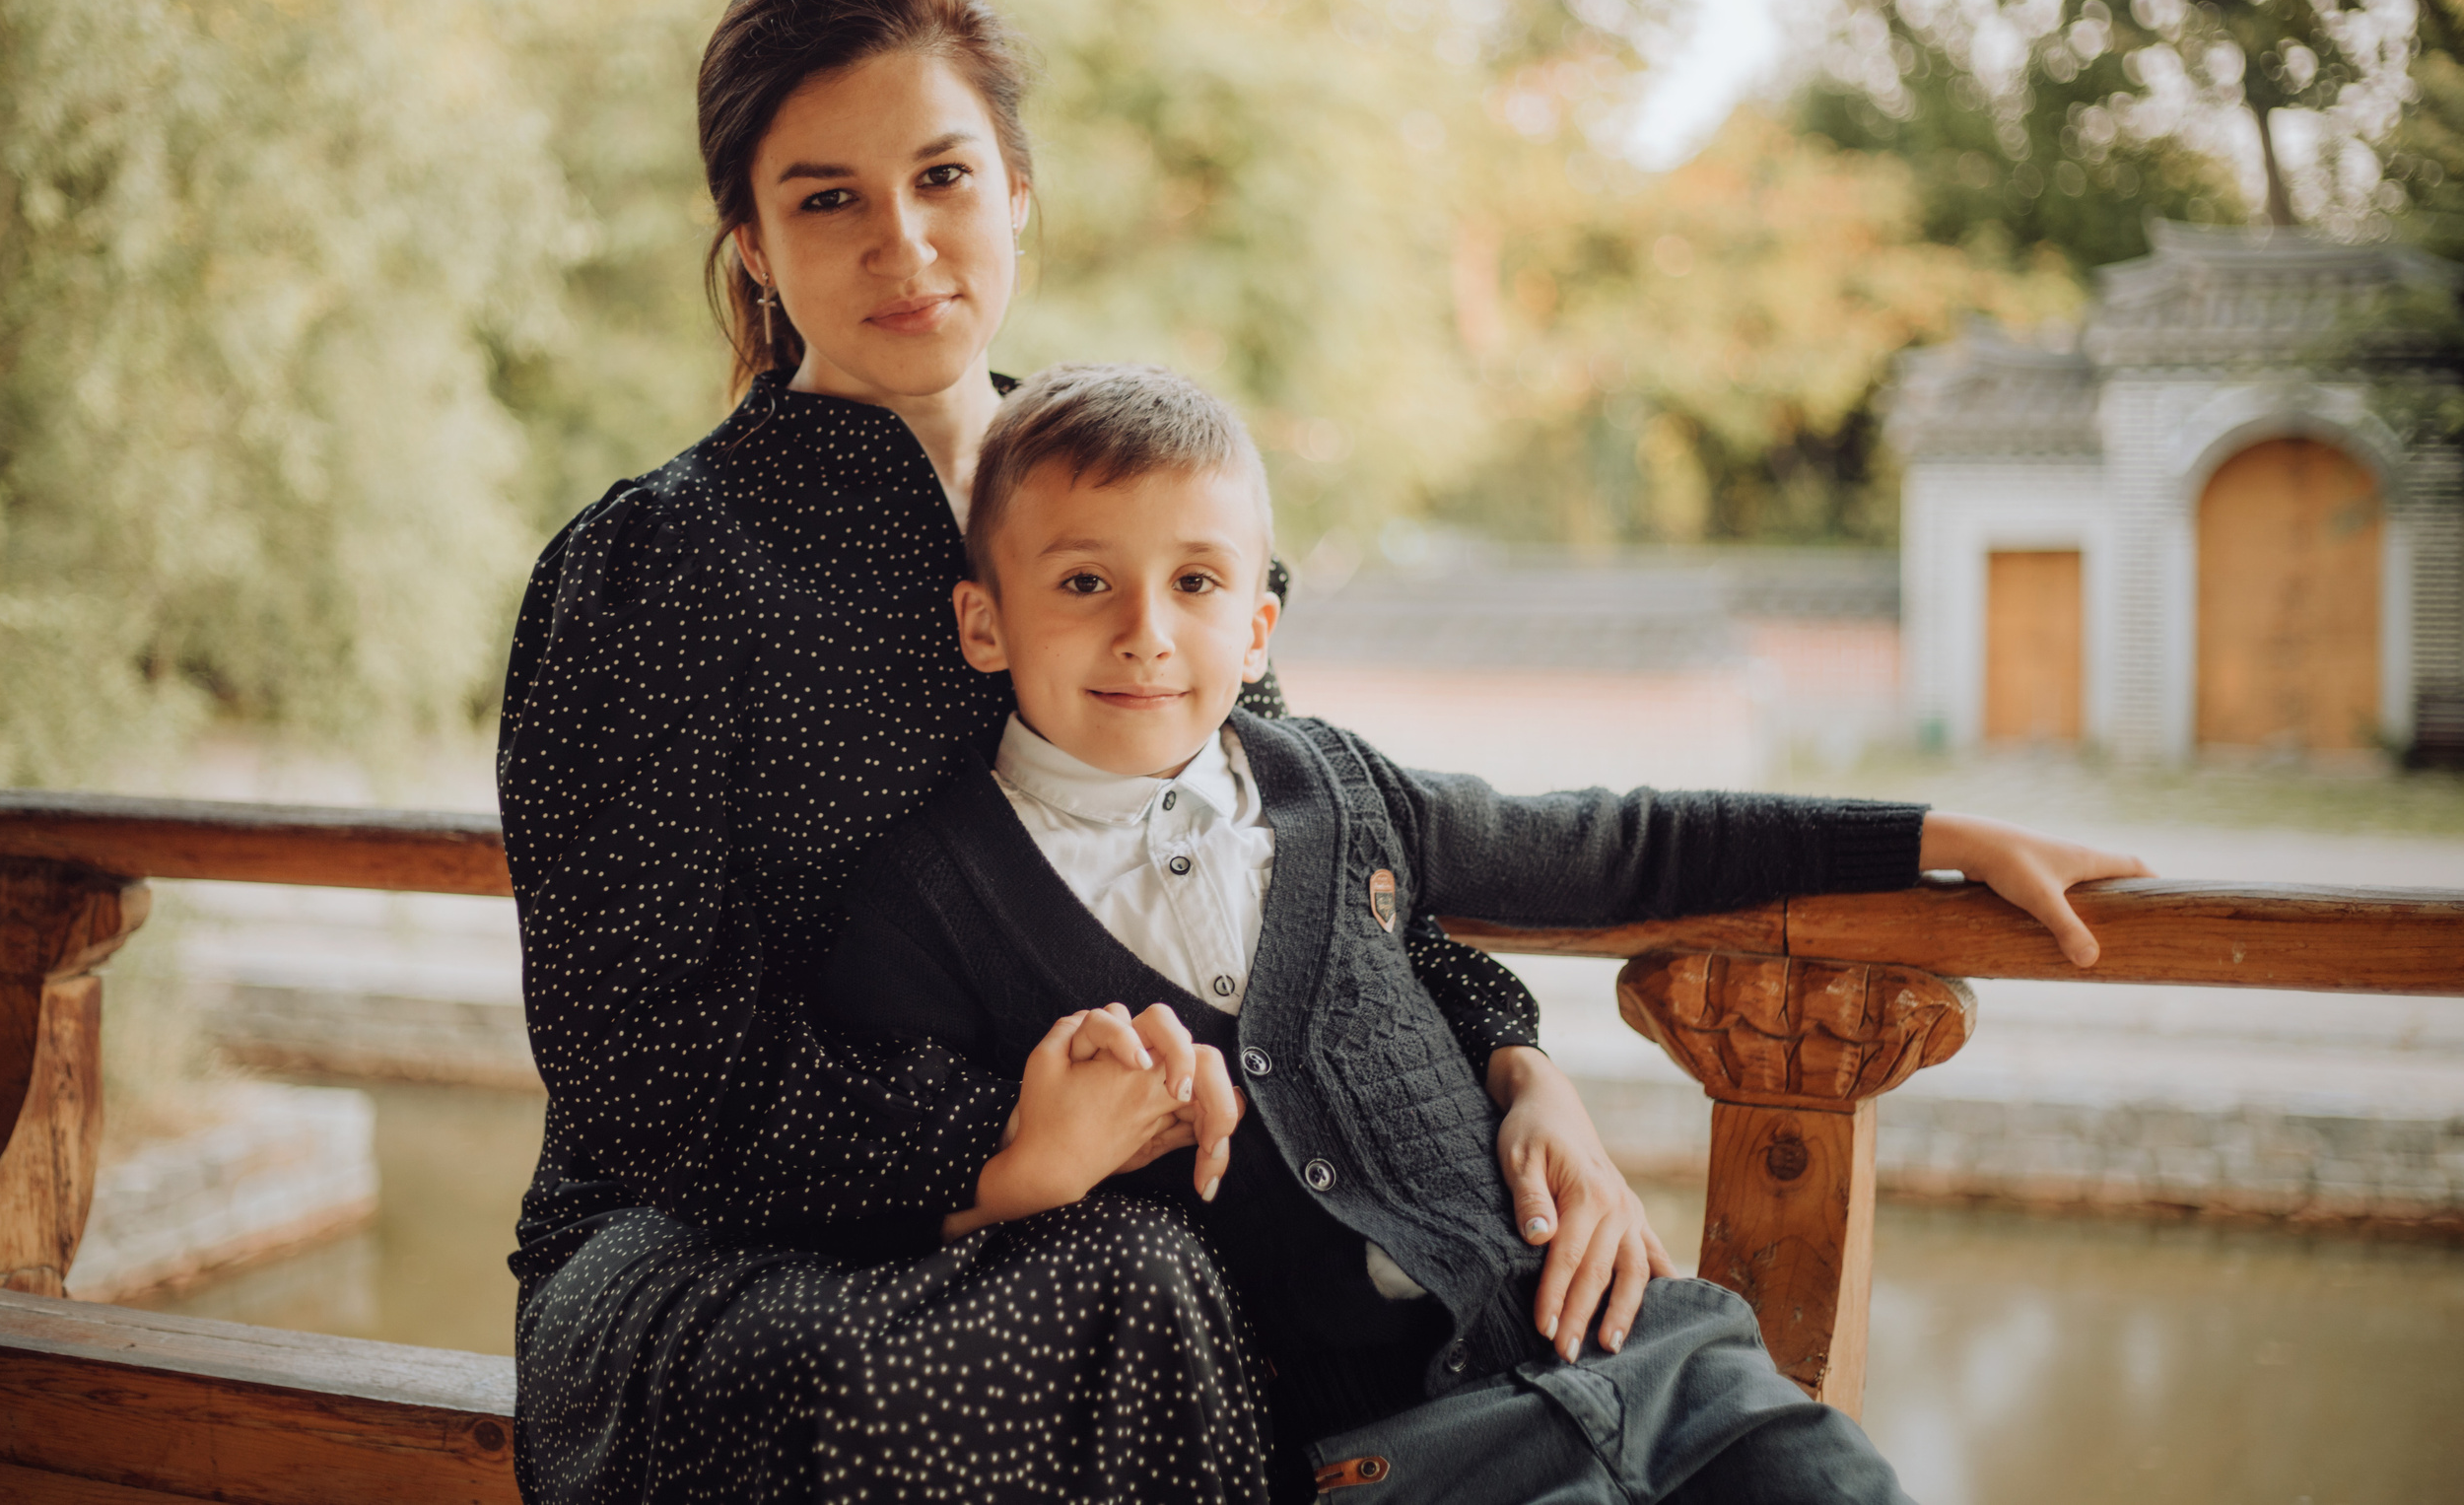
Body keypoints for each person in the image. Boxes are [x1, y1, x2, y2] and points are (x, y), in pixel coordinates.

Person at [500, 0, 1701, 1505]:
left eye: (943, 175)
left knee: (1196, 1270)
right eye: (828, 199)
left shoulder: (1118, 482)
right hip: (720, 1244)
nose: (905, 243)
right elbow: (627, 1059)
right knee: (1111, 1290)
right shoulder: (651, 566)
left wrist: (1515, 1067)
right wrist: (996, 1158)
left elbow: (1295, 848)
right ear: (751, 240)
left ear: (1015, 190)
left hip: (1131, 1191)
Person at [819, 363, 2152, 1501]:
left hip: (1654, 1361)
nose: (1147, 633)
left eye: (1196, 582)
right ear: (984, 622)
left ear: (1258, 619)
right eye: (1084, 582)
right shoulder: (921, 902)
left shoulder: (1335, 787)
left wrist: (1927, 839)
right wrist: (1016, 1175)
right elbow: (858, 1217)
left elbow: (1616, 841)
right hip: (1391, 1457)